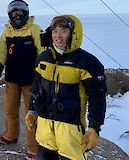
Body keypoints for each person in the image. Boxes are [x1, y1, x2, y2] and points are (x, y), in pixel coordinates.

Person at [26, 15, 107, 160]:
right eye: (55, 31)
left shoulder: (87, 63)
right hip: (45, 127)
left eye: (63, 31)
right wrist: (31, 110)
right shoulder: (43, 58)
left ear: (73, 34)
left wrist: (94, 128)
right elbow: (36, 87)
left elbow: (97, 97)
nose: (58, 36)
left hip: (71, 129)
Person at [0, 0, 43, 160]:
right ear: (9, 15)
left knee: (32, 114)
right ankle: (11, 135)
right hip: (12, 80)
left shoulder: (35, 30)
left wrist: (43, 78)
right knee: (10, 110)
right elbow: (2, 55)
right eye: (14, 13)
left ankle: (34, 147)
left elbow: (43, 53)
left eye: (20, 12)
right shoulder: (6, 33)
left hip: (31, 81)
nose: (17, 15)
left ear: (26, 13)